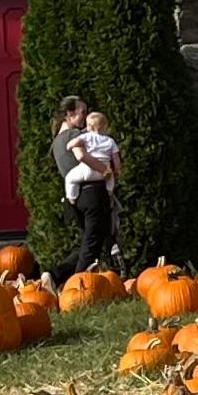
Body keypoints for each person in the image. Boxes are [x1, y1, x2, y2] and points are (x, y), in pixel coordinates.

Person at [64, 106, 123, 276]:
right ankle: (110, 191)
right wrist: (116, 171)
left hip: (88, 171)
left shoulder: (86, 136)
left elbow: (74, 146)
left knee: (71, 178)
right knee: (109, 179)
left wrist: (70, 145)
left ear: (89, 127)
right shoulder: (110, 141)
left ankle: (72, 196)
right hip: (103, 172)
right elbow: (116, 159)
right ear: (105, 127)